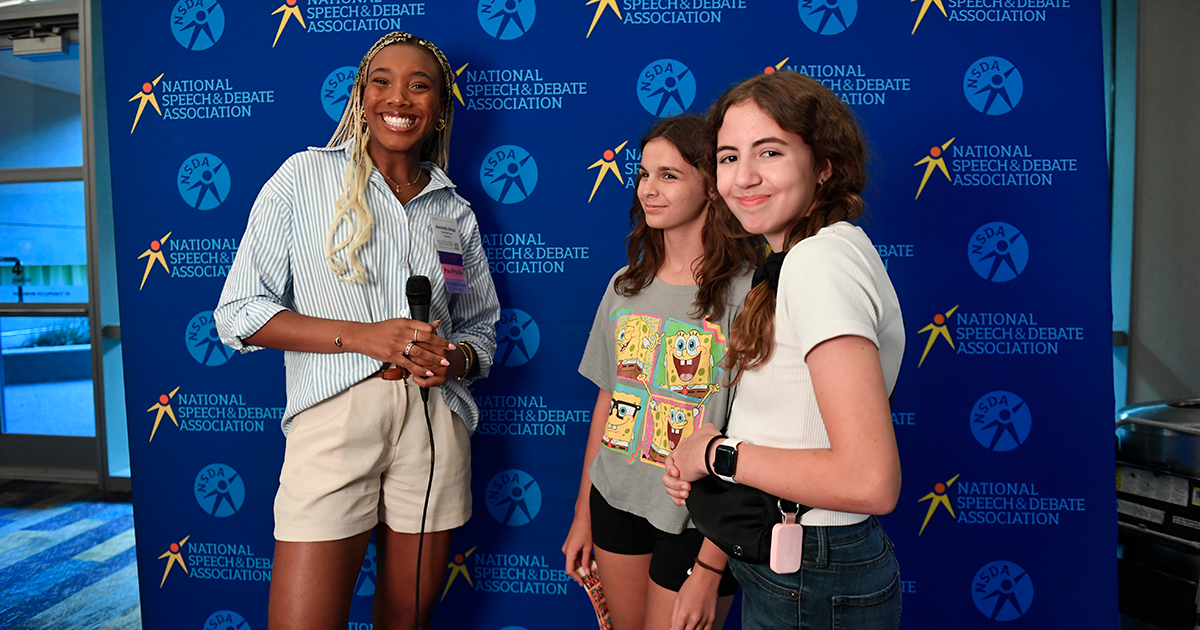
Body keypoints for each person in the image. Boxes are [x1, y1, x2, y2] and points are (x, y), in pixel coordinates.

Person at [214, 31, 499, 630]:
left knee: (408, 619)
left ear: (441, 106)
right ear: (359, 97)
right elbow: (239, 311)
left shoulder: (454, 209)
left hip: (433, 421)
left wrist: (456, 360)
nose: (401, 97)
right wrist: (365, 336)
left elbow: (480, 329)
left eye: (420, 85)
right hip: (334, 414)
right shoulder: (302, 178)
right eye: (383, 81)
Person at [663, 71, 905, 630]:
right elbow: (788, 430)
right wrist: (706, 458)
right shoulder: (801, 257)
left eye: (769, 152)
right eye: (727, 157)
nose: (743, 177)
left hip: (817, 569)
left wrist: (717, 455)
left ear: (824, 165)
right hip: (794, 558)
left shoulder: (820, 262)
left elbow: (870, 479)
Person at [563, 115, 760, 630]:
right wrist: (584, 511)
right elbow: (609, 403)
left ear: (713, 188)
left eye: (669, 175)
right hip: (615, 502)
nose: (649, 189)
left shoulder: (748, 295)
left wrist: (712, 566)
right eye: (645, 174)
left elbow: (754, 433)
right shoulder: (625, 285)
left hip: (701, 519)